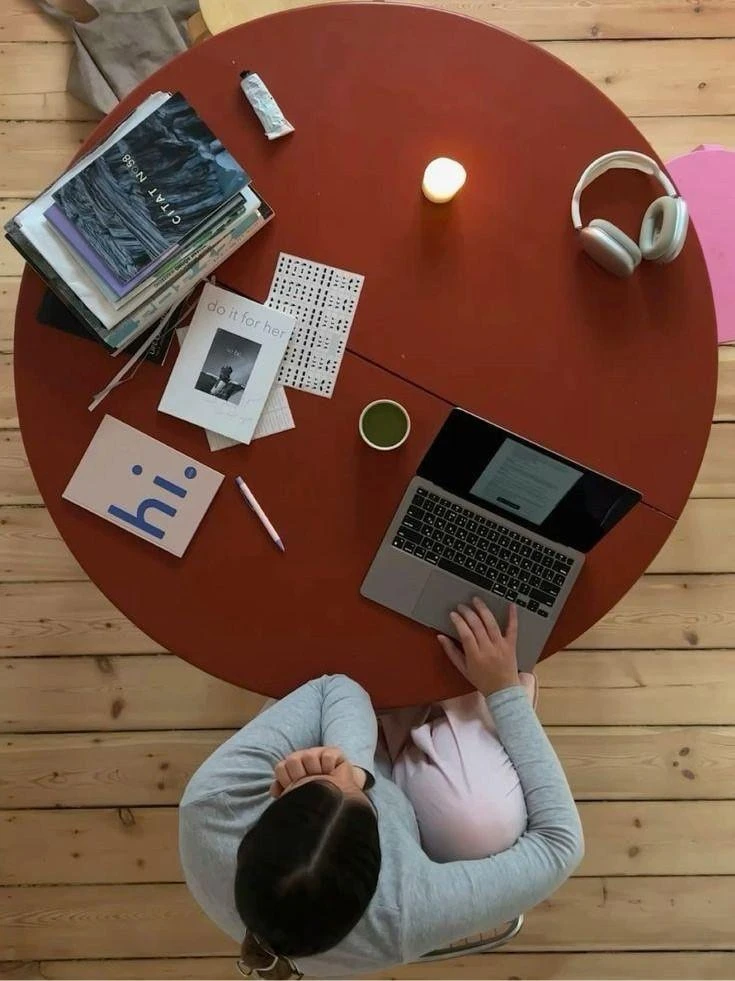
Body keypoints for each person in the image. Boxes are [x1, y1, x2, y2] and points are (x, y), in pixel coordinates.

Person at [179, 598, 584, 978]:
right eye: (366, 801)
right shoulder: (406, 912)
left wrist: (354, 767)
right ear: (385, 862)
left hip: (337, 723)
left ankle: (416, 716)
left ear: (250, 835)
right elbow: (560, 845)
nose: (339, 777)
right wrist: (503, 691)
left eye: (310, 783)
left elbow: (335, 689)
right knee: (483, 828)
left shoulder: (213, 802)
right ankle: (462, 697)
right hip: (414, 791)